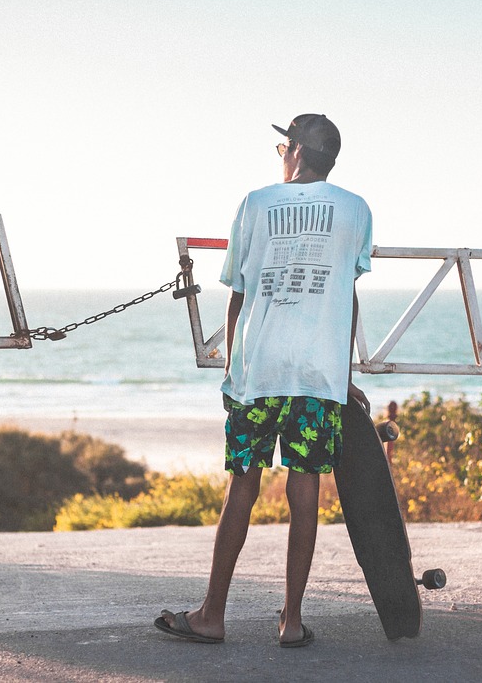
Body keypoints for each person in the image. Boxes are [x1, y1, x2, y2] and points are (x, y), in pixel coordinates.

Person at [155, 113, 373, 649]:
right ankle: (292, 622)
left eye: (282, 147)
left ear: (294, 149)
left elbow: (238, 293)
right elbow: (348, 296)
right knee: (305, 493)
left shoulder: (254, 203)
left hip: (260, 373)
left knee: (242, 488)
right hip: (316, 378)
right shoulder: (356, 210)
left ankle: (211, 615)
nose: (280, 154)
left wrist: (234, 371)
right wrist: (340, 377)